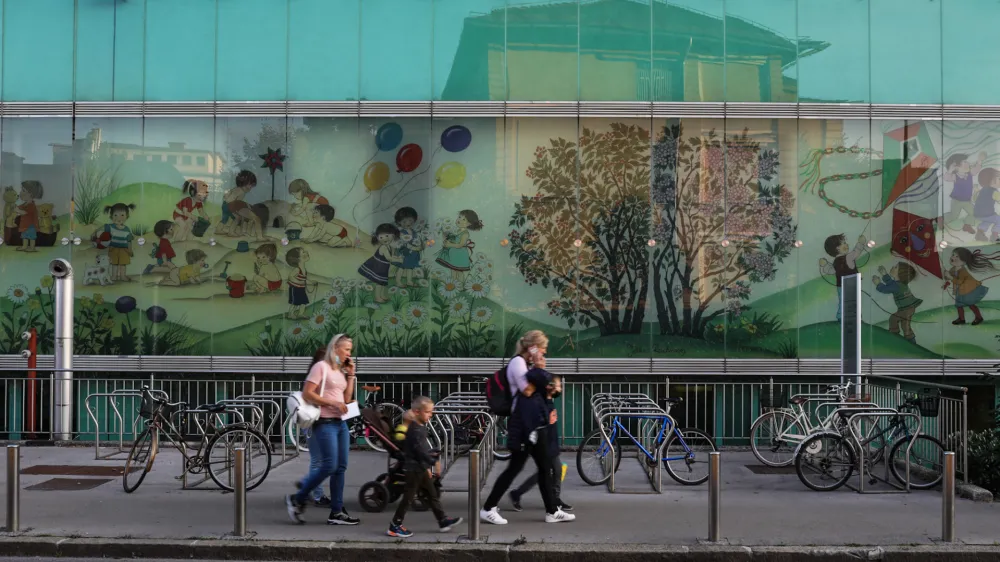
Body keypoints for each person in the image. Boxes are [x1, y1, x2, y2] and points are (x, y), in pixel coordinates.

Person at [481, 366, 574, 525]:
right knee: (516, 469)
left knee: (545, 469)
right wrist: (544, 371)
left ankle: (552, 510)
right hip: (527, 434)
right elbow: (535, 388)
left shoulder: (537, 389)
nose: (543, 355)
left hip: (534, 433)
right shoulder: (528, 379)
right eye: (541, 351)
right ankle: (490, 506)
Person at [286, 333, 359, 526]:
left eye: (350, 350)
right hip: (325, 423)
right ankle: (298, 497)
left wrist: (351, 375)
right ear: (335, 348)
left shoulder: (339, 371)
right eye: (346, 349)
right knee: (329, 465)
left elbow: (345, 399)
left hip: (340, 423)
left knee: (340, 468)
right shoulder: (321, 367)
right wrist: (331, 402)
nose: (349, 354)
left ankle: (337, 512)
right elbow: (308, 393)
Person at [386, 396, 462, 538]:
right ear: (417, 412)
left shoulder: (419, 427)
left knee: (432, 494)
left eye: (431, 412)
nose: (430, 415)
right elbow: (420, 451)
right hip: (414, 469)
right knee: (408, 498)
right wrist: (433, 462)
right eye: (427, 412)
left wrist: (427, 465)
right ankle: (395, 525)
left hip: (420, 467)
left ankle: (442, 520)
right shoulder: (415, 431)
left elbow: (422, 450)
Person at [509, 372, 571, 513]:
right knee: (552, 471)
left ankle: (520, 494)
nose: (560, 389)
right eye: (558, 386)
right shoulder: (543, 402)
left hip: (551, 443)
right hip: (546, 443)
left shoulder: (549, 401)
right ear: (550, 387)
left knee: (548, 472)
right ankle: (554, 500)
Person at [296, 348, 332, 507]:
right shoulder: (317, 378)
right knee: (320, 461)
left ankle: (306, 483)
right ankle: (317, 495)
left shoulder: (317, 376)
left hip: (315, 422)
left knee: (323, 460)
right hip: (315, 422)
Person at [819, 233, 867, 321]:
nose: (847, 244)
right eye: (844, 243)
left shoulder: (836, 261)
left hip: (841, 286)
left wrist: (825, 265)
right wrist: (861, 243)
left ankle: (841, 316)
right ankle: (855, 318)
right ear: (837, 248)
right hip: (851, 285)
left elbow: (831, 270)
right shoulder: (848, 257)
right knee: (854, 302)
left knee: (843, 302)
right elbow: (856, 252)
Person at [873, 262, 922, 344]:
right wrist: (884, 274)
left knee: (893, 318)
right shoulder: (900, 284)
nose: (892, 267)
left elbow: (886, 289)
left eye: (895, 267)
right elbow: (891, 283)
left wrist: (878, 283)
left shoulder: (897, 286)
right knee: (905, 325)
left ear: (900, 274)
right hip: (909, 308)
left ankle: (894, 334)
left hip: (905, 309)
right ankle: (911, 341)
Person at [944, 152, 984, 235]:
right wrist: (950, 170)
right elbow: (947, 178)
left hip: (967, 201)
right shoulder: (955, 176)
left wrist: (979, 160)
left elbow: (976, 169)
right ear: (956, 167)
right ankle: (941, 219)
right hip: (956, 201)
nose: (968, 163)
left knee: (974, 213)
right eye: (965, 162)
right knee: (953, 216)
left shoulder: (970, 174)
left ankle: (967, 225)